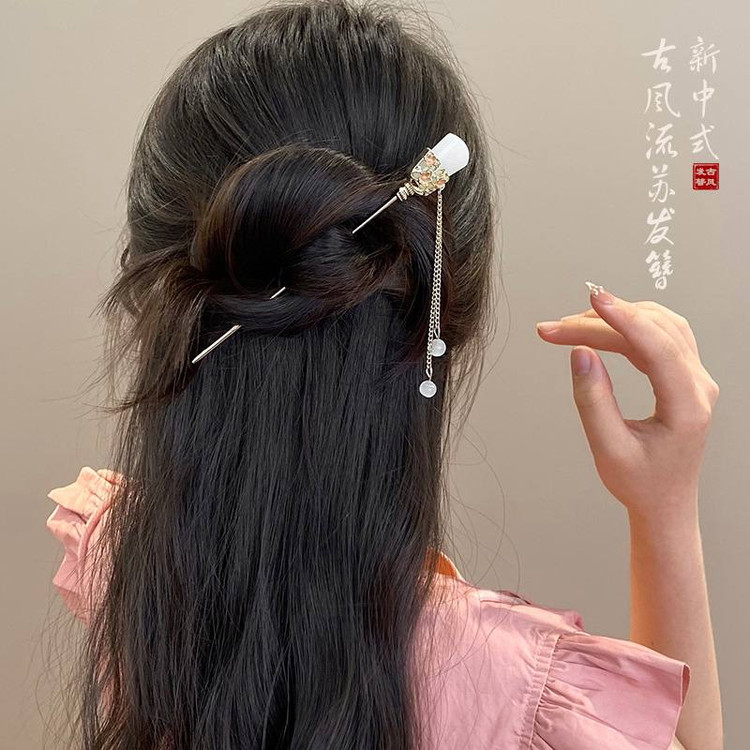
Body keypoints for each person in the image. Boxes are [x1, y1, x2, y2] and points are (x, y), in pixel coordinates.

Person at [45, 1, 723, 748]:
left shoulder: (117, 561)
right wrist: (664, 511)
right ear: (444, 310)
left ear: (149, 290)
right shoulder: (521, 694)